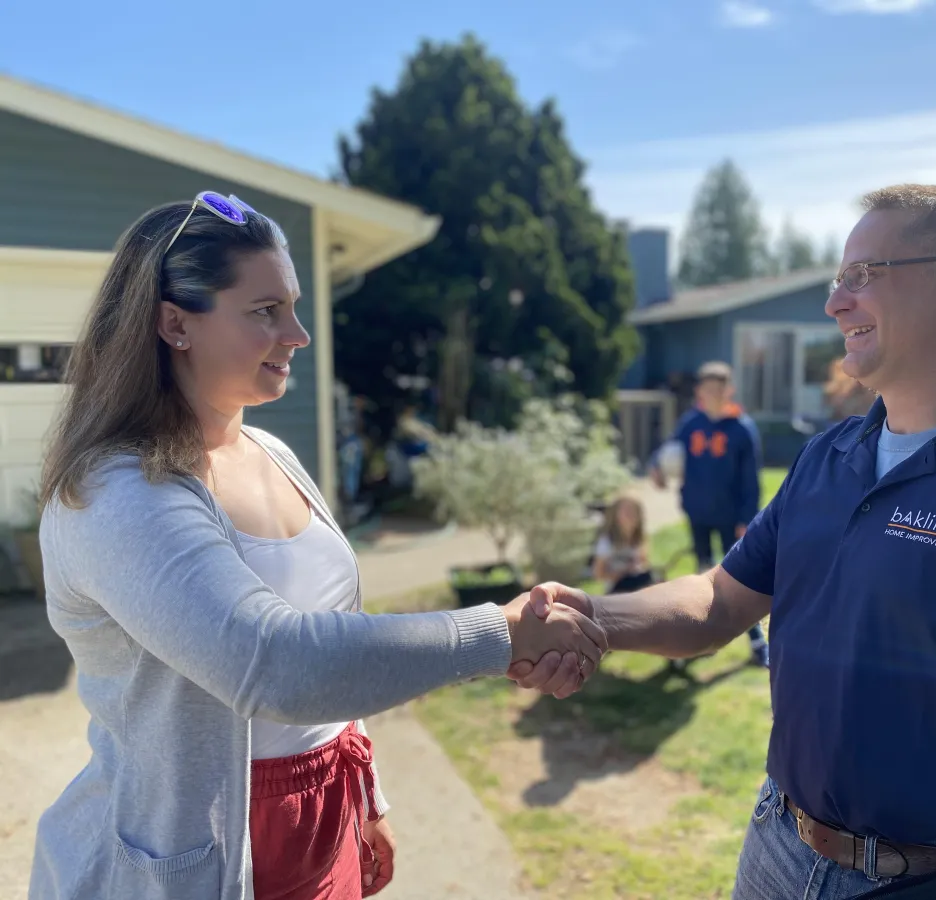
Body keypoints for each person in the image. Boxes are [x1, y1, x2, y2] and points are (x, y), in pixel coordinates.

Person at [510, 184, 936, 900]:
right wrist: (590, 615)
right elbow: (719, 600)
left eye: (862, 276)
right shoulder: (828, 456)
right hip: (779, 847)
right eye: (837, 279)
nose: (834, 303)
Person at [29, 191, 604, 900]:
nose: (298, 334)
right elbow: (274, 662)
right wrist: (501, 635)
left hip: (327, 815)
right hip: (194, 854)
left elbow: (337, 635)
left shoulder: (271, 451)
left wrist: (368, 796)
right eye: (266, 311)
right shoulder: (116, 492)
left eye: (294, 306)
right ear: (175, 324)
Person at [650, 361, 769, 668]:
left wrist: (748, 518)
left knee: (740, 580)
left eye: (719, 389)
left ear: (728, 390)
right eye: (707, 389)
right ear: (700, 391)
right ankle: (701, 637)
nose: (713, 394)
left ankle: (757, 643)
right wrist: (657, 468)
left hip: (731, 516)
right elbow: (669, 450)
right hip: (698, 511)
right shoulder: (691, 423)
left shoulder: (741, 428)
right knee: (703, 574)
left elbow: (750, 479)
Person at [592, 494, 653, 594]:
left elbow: (644, 563)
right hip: (616, 589)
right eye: (625, 511)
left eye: (634, 511)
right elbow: (598, 574)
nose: (630, 514)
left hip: (638, 585)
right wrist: (619, 574)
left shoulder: (640, 539)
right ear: (615, 515)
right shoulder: (607, 541)